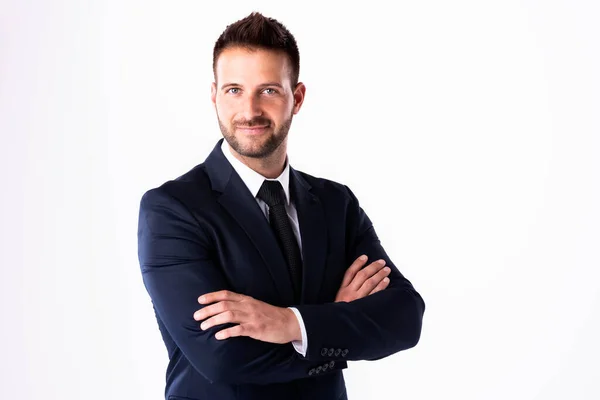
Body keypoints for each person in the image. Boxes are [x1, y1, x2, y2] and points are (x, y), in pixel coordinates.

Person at [137, 11, 425, 400]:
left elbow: (405, 318)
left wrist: (290, 323)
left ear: (298, 97)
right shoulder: (173, 210)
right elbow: (223, 359)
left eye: (269, 90)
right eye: (234, 90)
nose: (250, 110)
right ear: (214, 96)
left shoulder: (335, 204)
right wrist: (331, 323)